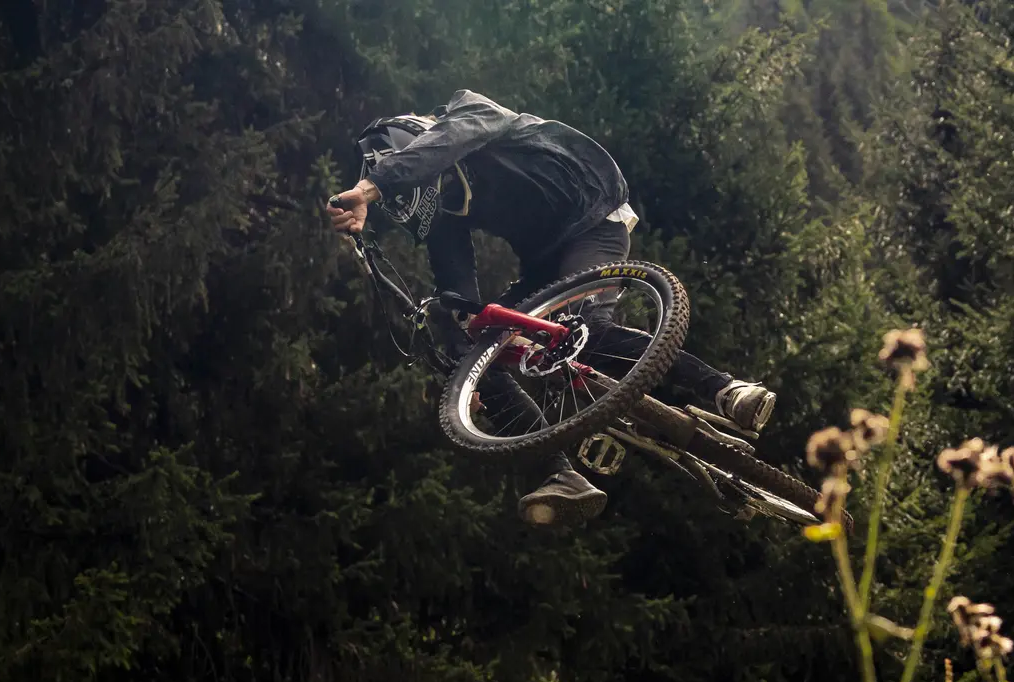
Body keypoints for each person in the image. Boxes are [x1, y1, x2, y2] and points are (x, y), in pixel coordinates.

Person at [327, 90, 776, 527]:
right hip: (544, 264)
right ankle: (559, 474)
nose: (444, 201)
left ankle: (725, 389)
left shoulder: (470, 112)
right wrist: (466, 370)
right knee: (470, 346)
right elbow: (457, 292)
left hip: (595, 221)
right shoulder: (448, 216)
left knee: (586, 330)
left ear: (420, 144)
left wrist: (374, 188)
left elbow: (461, 132)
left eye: (433, 186)